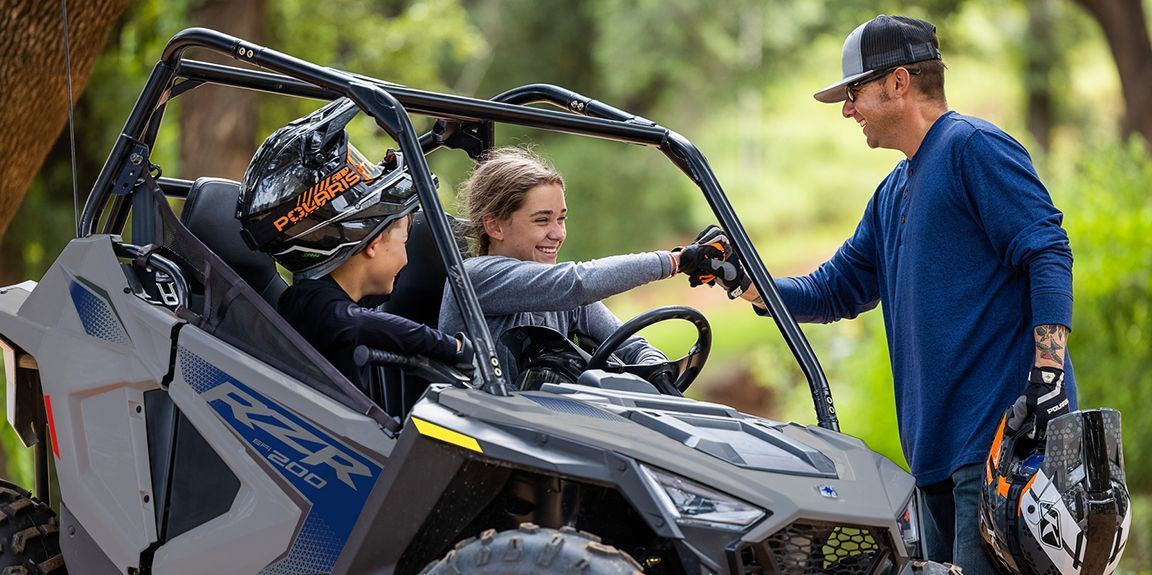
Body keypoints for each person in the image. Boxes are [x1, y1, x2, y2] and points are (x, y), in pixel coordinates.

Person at [694, 15, 1075, 574]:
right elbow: (836, 288)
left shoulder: (975, 148)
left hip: (1004, 442)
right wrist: (743, 280)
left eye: (854, 93)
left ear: (898, 83)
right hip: (933, 457)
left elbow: (1047, 251)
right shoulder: (893, 190)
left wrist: (1047, 377)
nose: (849, 110)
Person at [236, 98, 474, 393]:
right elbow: (361, 325)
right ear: (372, 245)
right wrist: (452, 346)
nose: (406, 259)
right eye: (404, 241)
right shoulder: (312, 303)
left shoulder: (320, 298)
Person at [438, 147, 713, 389]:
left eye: (561, 219)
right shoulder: (475, 278)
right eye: (543, 220)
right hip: (483, 433)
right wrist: (676, 261)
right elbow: (579, 283)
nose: (558, 233)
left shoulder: (561, 295)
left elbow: (628, 344)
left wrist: (654, 369)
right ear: (494, 226)